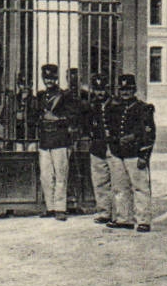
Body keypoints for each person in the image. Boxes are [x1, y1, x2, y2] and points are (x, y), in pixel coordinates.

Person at [104, 73, 156, 232]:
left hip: (135, 153)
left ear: (134, 90)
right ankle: (123, 218)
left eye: (129, 89)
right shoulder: (113, 108)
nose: (125, 92)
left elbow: (149, 133)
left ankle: (143, 220)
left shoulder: (143, 108)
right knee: (120, 187)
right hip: (118, 152)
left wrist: (144, 155)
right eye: (122, 89)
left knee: (140, 188)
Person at [34, 63, 81, 220]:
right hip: (45, 141)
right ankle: (50, 207)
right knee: (46, 176)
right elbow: (34, 116)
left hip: (60, 140)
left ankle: (60, 208)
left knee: (61, 175)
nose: (49, 81)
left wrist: (57, 119)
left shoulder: (65, 96)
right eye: (46, 78)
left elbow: (73, 117)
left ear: (56, 78)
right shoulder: (40, 96)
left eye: (52, 78)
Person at [81, 74, 116, 225]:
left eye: (102, 89)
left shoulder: (115, 104)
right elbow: (86, 124)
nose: (100, 93)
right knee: (100, 181)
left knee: (117, 182)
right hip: (97, 146)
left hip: (114, 147)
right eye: (97, 89)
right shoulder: (91, 106)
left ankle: (119, 213)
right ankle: (104, 212)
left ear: (107, 88)